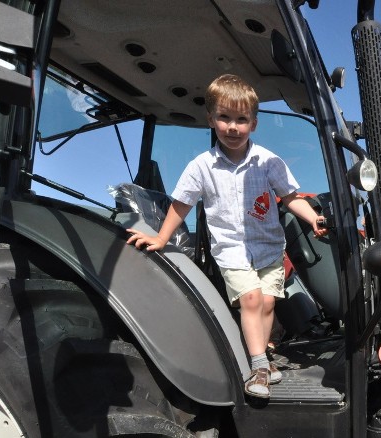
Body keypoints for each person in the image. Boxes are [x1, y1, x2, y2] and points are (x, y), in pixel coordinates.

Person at [126, 74, 327, 398]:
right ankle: (259, 366)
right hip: (232, 249)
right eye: (225, 118)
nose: (233, 127)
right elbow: (181, 205)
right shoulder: (202, 167)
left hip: (270, 249)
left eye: (241, 119)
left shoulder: (268, 162)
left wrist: (315, 218)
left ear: (253, 123)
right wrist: (162, 239)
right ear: (212, 119)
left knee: (266, 304)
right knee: (250, 301)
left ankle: (264, 358)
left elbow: (290, 197)